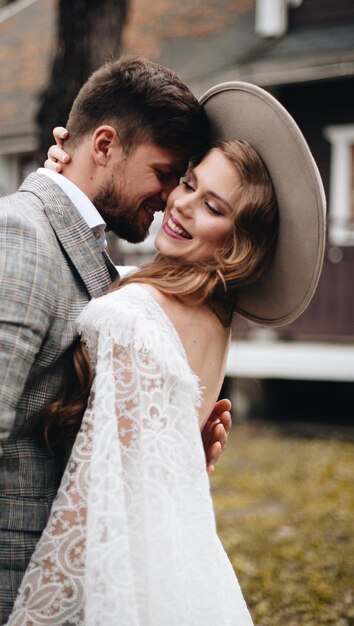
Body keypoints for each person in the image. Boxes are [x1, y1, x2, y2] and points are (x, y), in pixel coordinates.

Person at [4, 81, 326, 625]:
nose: (176, 202)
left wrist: (35, 615)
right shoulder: (201, 309)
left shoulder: (147, 307)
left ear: (237, 239)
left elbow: (92, 497)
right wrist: (60, 180)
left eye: (211, 205)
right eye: (181, 180)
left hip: (81, 575)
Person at [0, 56, 233, 624]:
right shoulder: (24, 237)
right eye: (165, 174)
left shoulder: (86, 246)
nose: (169, 198)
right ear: (103, 145)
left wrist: (160, 448)